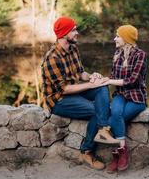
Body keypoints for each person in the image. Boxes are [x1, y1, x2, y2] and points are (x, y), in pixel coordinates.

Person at [41, 16, 119, 170]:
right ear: (64, 34)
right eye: (73, 30)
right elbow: (64, 89)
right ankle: (87, 151)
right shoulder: (52, 58)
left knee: (102, 86)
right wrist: (90, 85)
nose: (77, 33)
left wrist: (92, 77)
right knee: (97, 110)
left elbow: (80, 73)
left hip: (74, 92)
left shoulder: (73, 48)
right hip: (59, 100)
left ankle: (103, 129)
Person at [96, 25, 147, 173]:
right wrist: (104, 78)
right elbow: (114, 77)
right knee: (116, 112)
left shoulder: (140, 55)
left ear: (126, 38)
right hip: (120, 95)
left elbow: (133, 81)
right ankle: (123, 151)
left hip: (136, 97)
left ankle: (116, 155)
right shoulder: (118, 53)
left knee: (113, 119)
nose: (114, 39)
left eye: (117, 36)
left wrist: (110, 82)